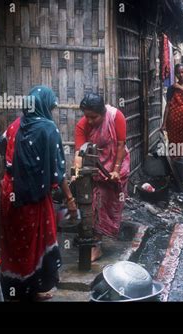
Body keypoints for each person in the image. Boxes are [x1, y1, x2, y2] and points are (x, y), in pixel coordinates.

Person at [0, 85, 77, 301]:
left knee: (15, 244)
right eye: (50, 107)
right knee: (35, 243)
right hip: (32, 198)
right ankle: (32, 291)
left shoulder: (15, 125)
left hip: (10, 192)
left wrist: (15, 169)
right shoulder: (48, 129)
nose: (51, 111)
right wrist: (70, 199)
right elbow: (58, 171)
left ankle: (17, 291)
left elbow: (0, 143)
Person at [74, 93, 130, 261]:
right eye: (87, 116)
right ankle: (95, 245)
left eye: (94, 117)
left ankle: (99, 240)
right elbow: (79, 151)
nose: (89, 121)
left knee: (109, 202)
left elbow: (120, 144)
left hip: (116, 163)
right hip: (95, 166)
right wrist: (76, 172)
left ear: (103, 112)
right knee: (94, 204)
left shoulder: (115, 117)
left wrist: (116, 170)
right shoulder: (82, 125)